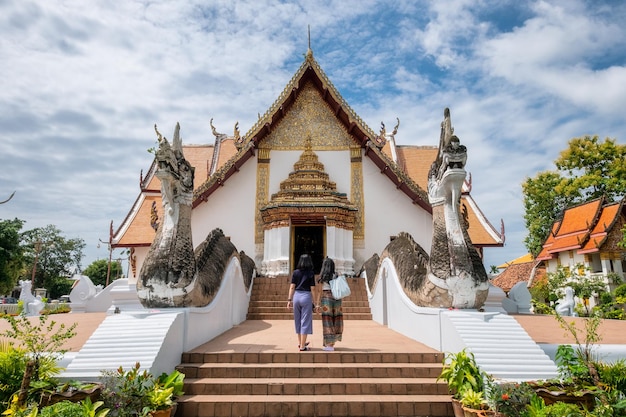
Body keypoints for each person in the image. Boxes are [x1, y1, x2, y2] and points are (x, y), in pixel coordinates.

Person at [287, 254, 318, 351]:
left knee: (298, 320)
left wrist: (289, 300)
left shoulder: (295, 273)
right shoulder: (310, 273)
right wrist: (315, 302)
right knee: (305, 321)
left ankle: (301, 342)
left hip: (296, 296)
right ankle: (303, 346)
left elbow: (292, 286)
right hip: (306, 297)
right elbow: (313, 288)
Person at [316, 257, 343, 351]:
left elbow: (319, 291)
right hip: (337, 298)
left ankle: (329, 345)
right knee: (336, 319)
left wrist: (317, 304)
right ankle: (332, 342)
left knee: (327, 321)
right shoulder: (336, 275)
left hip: (326, 298)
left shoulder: (321, 277)